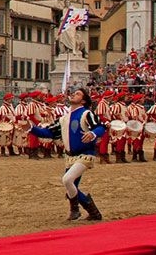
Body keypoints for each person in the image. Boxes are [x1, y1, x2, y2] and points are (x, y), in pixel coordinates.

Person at [30, 87, 106, 222]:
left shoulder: (86, 113)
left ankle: (75, 211)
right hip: (70, 157)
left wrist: (93, 133)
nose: (73, 95)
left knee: (67, 180)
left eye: (77, 94)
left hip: (85, 154)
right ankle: (94, 213)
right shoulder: (63, 118)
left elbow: (100, 127)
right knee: (72, 186)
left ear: (82, 101)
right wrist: (31, 128)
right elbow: (49, 133)